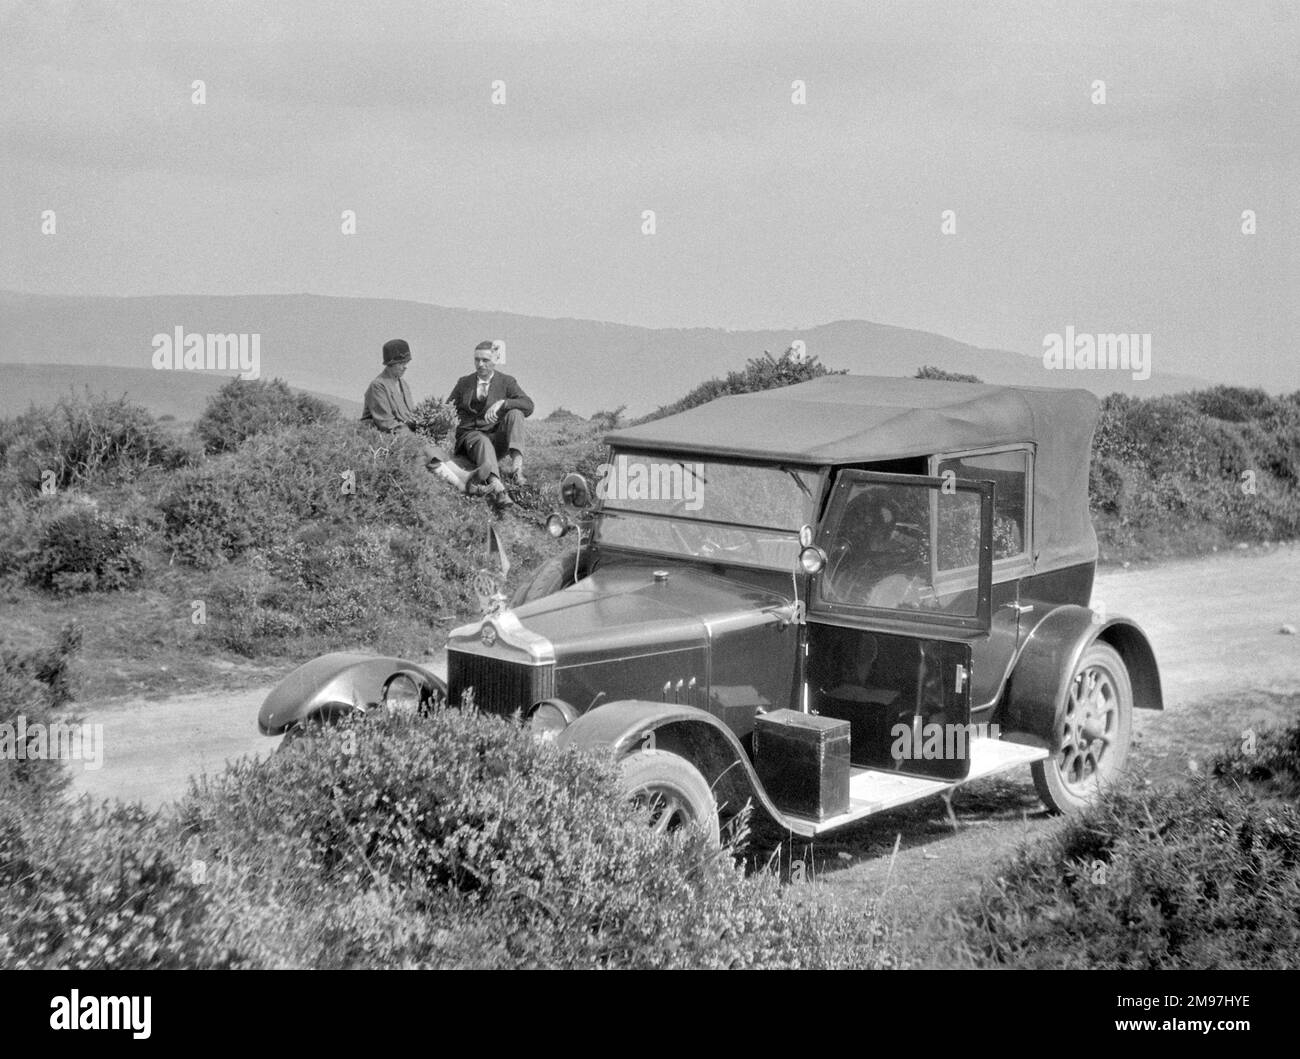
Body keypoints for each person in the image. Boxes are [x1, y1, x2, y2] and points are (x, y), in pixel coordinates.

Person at [448, 339, 534, 511]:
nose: (480, 364)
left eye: (485, 360)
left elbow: (528, 405)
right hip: (470, 439)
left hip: (496, 440)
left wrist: (504, 403)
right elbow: (447, 409)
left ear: (495, 360)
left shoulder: (507, 382)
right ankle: (497, 485)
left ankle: (517, 471)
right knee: (481, 440)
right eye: (477, 360)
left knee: (516, 412)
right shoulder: (463, 383)